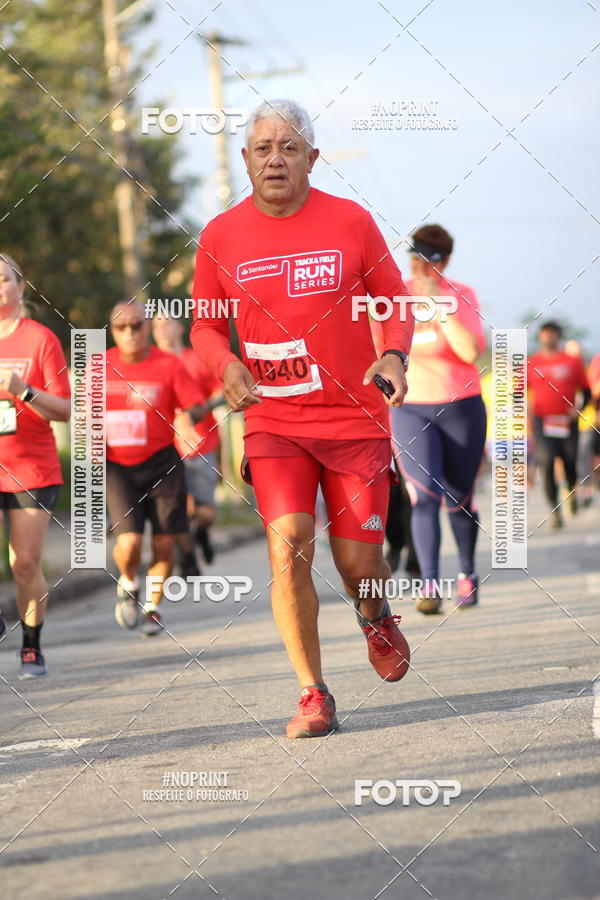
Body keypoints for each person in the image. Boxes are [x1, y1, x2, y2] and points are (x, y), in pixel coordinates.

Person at [191, 99, 414, 739]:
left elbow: (393, 300)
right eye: (263, 149)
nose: (275, 159)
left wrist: (394, 356)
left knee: (358, 567)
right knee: (287, 545)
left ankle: (374, 616)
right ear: (245, 161)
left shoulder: (351, 223)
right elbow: (206, 325)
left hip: (352, 421)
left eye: (289, 147)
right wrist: (225, 365)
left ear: (313, 159)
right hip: (273, 421)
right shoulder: (220, 234)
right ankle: (312, 693)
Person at [388, 224, 487, 614]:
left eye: (427, 263)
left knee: (458, 498)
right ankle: (428, 583)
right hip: (411, 409)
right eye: (413, 260)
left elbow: (469, 352)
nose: (418, 270)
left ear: (444, 262)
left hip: (461, 406)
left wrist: (437, 307)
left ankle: (466, 572)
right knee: (423, 494)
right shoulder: (397, 296)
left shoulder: (460, 295)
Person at [106, 300, 205, 636]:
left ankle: (152, 607)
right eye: (122, 327)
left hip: (163, 463)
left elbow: (194, 405)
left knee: (164, 544)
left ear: (147, 327)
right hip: (118, 468)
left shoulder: (169, 364)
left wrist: (188, 421)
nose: (130, 332)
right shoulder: (99, 366)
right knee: (130, 542)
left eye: (137, 325)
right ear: (113, 331)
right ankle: (130, 581)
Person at [0, 253, 70, 678]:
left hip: (31, 469)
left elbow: (63, 409)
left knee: (24, 563)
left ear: (19, 288)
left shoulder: (39, 339)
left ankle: (31, 645)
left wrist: (23, 390)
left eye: (2, 279)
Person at [151, 314, 223, 574]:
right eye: (156, 326)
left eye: (166, 323)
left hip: (200, 445)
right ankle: (188, 556)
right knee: (180, 507)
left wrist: (196, 411)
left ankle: (201, 533)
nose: (161, 330)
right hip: (165, 448)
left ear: (179, 328)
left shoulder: (196, 360)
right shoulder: (151, 363)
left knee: (205, 514)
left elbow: (220, 392)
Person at [528, 322, 590, 529]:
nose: (548, 338)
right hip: (542, 421)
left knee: (570, 461)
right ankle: (554, 511)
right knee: (546, 462)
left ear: (558, 337)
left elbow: (587, 390)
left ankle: (571, 492)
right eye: (545, 335)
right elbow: (518, 391)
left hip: (567, 421)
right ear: (540, 338)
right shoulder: (531, 362)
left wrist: (578, 408)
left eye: (552, 335)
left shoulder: (572, 361)